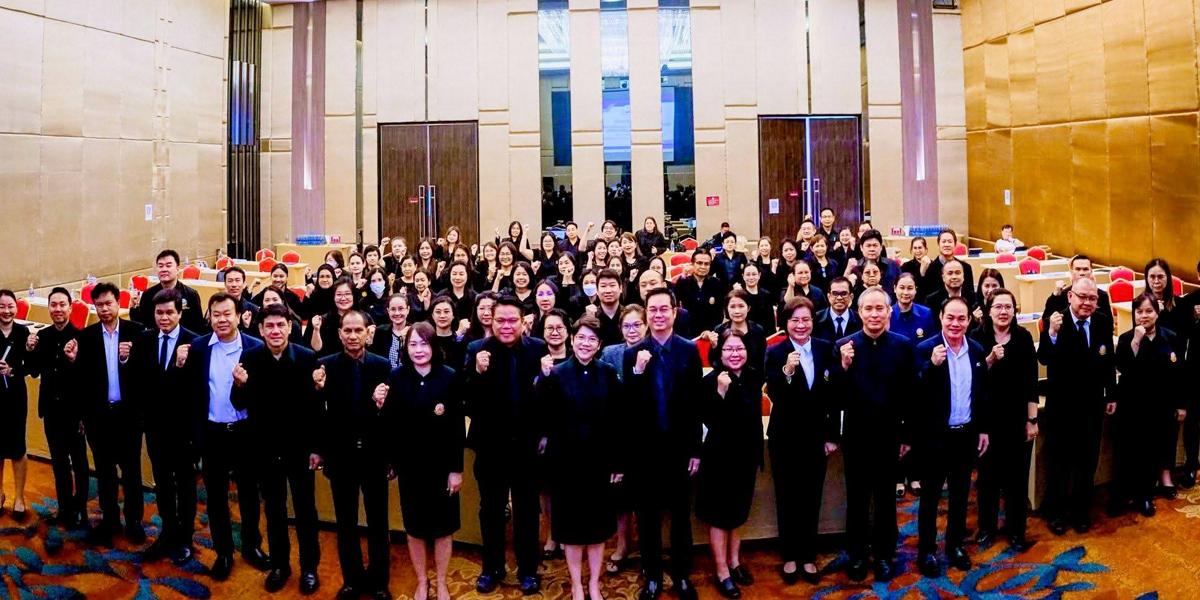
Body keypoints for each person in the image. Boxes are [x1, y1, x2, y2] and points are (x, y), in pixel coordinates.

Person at [179, 292, 270, 579]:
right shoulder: (199, 347)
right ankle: (224, 552)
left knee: (249, 495)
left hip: (244, 432)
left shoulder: (256, 348)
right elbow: (192, 393)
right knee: (216, 497)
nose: (221, 319)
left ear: (239, 316)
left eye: (227, 314)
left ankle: (251, 546)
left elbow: (263, 396)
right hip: (213, 433)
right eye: (215, 314)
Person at [463, 296, 549, 595]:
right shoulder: (477, 350)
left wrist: (543, 433)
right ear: (491, 320)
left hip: (527, 446)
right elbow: (467, 401)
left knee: (527, 510)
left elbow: (547, 399)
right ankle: (492, 567)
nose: (506, 326)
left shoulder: (538, 349)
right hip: (491, 446)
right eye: (500, 320)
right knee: (491, 510)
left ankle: (528, 569)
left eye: (513, 320)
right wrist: (478, 373)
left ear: (524, 322)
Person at [235, 303, 323, 594]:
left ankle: (309, 568)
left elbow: (316, 410)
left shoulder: (307, 357)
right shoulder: (250, 357)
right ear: (260, 330)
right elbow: (238, 403)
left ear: (289, 327)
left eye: (280, 325)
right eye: (269, 326)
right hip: (265, 449)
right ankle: (280, 566)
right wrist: (239, 385)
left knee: (306, 511)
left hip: (300, 449)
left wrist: (316, 448)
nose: (275, 331)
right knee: (274, 510)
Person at [623, 287, 704, 600]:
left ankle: (682, 576)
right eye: (652, 310)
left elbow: (695, 404)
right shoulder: (633, 353)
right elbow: (628, 407)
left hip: (680, 449)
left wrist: (695, 449)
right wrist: (637, 372)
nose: (658, 315)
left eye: (663, 309)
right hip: (645, 452)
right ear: (646, 314)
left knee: (681, 517)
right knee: (647, 518)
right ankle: (653, 577)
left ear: (674, 311)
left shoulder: (688, 350)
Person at [538, 315, 625, 600]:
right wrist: (542, 380)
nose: (585, 343)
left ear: (599, 344)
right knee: (572, 531)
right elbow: (543, 415)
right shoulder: (556, 373)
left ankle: (594, 583)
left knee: (597, 530)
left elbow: (618, 421)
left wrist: (617, 462)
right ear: (572, 340)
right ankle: (576, 584)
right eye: (581, 338)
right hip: (566, 464)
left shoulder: (608, 373)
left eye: (592, 339)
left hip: (599, 463)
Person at [830, 286, 913, 582]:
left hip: (890, 435)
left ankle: (884, 554)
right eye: (869, 309)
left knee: (885, 498)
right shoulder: (844, 346)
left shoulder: (902, 346)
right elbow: (834, 396)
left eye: (880, 309)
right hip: (856, 435)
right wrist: (843, 366)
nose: (874, 314)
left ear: (889, 312)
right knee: (857, 498)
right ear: (859, 312)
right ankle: (856, 554)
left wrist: (907, 436)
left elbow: (910, 395)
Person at [313, 310, 393, 600]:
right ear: (339, 334)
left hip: (375, 456)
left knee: (378, 522)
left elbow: (391, 416)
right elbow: (319, 414)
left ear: (368, 333)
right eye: (347, 330)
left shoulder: (383, 366)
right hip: (341, 456)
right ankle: (352, 580)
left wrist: (391, 458)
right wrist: (317, 390)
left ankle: (380, 581)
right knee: (345, 522)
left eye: (358, 330)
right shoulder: (326, 365)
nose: (353, 335)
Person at [382, 322, 465, 600]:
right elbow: (390, 424)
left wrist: (456, 469)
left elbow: (456, 428)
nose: (419, 350)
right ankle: (422, 581)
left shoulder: (449, 376)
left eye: (424, 343)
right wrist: (391, 461)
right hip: (410, 467)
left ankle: (441, 582)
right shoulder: (396, 377)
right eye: (413, 344)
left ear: (434, 346)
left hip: (442, 467)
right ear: (406, 348)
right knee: (415, 528)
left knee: (443, 529)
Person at [912, 297, 989, 577]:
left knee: (960, 494)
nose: (956, 323)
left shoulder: (977, 350)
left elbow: (982, 394)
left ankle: (955, 545)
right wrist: (931, 365)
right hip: (935, 437)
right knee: (931, 497)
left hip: (965, 435)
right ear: (941, 318)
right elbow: (913, 392)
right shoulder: (924, 349)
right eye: (950, 318)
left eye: (961, 318)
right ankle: (927, 551)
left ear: (969, 320)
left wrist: (982, 429)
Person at [66, 282, 146, 546]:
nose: (104, 309)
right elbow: (81, 380)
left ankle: (134, 521)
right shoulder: (87, 336)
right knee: (104, 471)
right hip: (99, 416)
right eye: (99, 305)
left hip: (128, 415)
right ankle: (110, 519)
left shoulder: (137, 332)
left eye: (108, 303)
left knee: (131, 471)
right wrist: (82, 415)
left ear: (118, 303)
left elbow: (145, 374)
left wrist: (129, 359)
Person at [765, 297, 838, 585]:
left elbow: (831, 396)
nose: (800, 325)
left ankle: (808, 555)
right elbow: (775, 394)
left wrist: (831, 435)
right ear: (785, 323)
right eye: (794, 320)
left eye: (805, 319)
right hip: (785, 437)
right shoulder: (776, 352)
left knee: (811, 496)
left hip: (816, 438)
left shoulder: (824, 348)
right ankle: (790, 555)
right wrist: (787, 371)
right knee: (787, 497)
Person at [1037, 277, 1116, 535]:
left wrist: (1111, 394)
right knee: (1059, 461)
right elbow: (1044, 358)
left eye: (1092, 298)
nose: (1087, 303)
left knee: (1087, 461)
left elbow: (1108, 360)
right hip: (1062, 406)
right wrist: (1051, 333)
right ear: (1070, 296)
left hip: (1092, 404)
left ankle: (1081, 511)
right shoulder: (1056, 320)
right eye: (1082, 297)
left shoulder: (1102, 321)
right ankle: (1056, 513)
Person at [132, 289, 200, 565]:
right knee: (162, 484)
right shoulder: (145, 339)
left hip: (183, 429)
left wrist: (181, 365)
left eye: (170, 312)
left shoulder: (194, 342)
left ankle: (185, 537)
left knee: (185, 485)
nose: (164, 317)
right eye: (159, 312)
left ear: (180, 313)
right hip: (155, 427)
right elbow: (140, 381)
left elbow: (197, 390)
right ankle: (168, 532)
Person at [697, 330, 764, 599]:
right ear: (719, 353)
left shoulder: (753, 376)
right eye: (728, 349)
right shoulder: (711, 380)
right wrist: (721, 392)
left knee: (738, 513)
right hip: (719, 459)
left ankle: (734, 561)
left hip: (745, 458)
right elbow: (710, 421)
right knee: (719, 515)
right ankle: (722, 570)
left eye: (739, 349)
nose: (734, 354)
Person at [971, 288, 1038, 551]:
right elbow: (972, 379)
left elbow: (1031, 380)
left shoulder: (1023, 337)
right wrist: (989, 360)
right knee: (987, 478)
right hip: (987, 421)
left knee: (1017, 479)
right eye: (998, 307)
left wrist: (1032, 420)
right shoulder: (977, 337)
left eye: (1008, 307)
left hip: (1016, 418)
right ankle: (986, 527)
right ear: (989, 311)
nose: (1003, 311)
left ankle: (1016, 530)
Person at [1112, 293, 1187, 517]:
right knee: (1130, 452)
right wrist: (1136, 341)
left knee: (1152, 451)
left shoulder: (1170, 337)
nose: (1144, 316)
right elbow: (1124, 368)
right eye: (1139, 311)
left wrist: (1181, 404)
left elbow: (1179, 374)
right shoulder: (1126, 338)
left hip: (1160, 406)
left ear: (1157, 312)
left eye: (1149, 311)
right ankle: (1125, 494)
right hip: (1132, 406)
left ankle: (1145, 496)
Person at [26, 288, 89, 529]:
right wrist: (30, 350)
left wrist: (84, 415)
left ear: (71, 308)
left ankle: (80, 508)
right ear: (49, 308)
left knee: (79, 463)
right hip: (51, 409)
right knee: (59, 463)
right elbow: (34, 371)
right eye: (53, 305)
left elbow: (87, 377)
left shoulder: (82, 337)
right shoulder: (42, 336)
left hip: (75, 412)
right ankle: (64, 509)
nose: (58, 309)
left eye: (63, 304)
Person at [597, 304, 646, 573]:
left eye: (637, 325)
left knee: (647, 497)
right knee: (621, 497)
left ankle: (648, 547)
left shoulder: (654, 351)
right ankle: (623, 545)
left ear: (646, 326)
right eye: (627, 325)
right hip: (618, 433)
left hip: (648, 433)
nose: (632, 330)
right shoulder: (609, 354)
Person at [0, 290, 32, 522]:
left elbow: (30, 366)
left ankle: (19, 497)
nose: (6, 310)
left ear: (16, 308)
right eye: (2, 306)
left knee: (18, 447)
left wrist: (12, 370)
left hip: (15, 395)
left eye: (10, 306)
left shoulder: (23, 333)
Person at [134, 249, 205, 333]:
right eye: (160, 266)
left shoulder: (190, 294)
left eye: (168, 266)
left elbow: (198, 327)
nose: (164, 269)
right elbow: (143, 325)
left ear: (177, 269)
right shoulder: (148, 294)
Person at [1040, 255, 1112, 329]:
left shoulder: (1102, 295)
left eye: (1085, 269)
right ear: (1071, 272)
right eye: (1078, 269)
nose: (1082, 273)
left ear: (1091, 272)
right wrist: (1055, 296)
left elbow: (1108, 325)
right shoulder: (1061, 295)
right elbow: (1046, 323)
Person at [675, 249, 727, 333]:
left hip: (710, 332)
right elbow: (676, 307)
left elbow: (720, 313)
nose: (703, 267)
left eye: (706, 264)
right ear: (692, 264)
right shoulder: (683, 283)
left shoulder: (716, 284)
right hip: (687, 332)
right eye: (699, 263)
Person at [307, 279, 361, 357]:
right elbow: (316, 348)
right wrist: (316, 330)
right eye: (339, 294)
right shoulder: (323, 320)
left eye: (347, 294)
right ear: (333, 297)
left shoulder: (363, 318)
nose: (343, 298)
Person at [923, 230, 974, 298]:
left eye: (950, 242)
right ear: (938, 245)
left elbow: (971, 296)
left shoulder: (966, 267)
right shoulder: (930, 268)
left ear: (955, 245)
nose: (946, 245)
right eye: (943, 241)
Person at [369, 293, 410, 369]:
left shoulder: (414, 332)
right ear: (388, 311)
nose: (397, 313)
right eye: (393, 309)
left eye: (401, 309)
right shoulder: (380, 331)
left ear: (408, 310)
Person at [813, 277, 861, 342]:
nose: (839, 298)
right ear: (828, 296)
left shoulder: (860, 319)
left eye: (843, 293)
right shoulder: (816, 319)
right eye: (835, 293)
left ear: (851, 297)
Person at [429, 295, 468, 370]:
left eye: (446, 312)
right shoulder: (428, 339)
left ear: (453, 315)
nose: (442, 316)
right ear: (432, 316)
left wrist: (457, 335)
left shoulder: (461, 338)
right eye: (438, 312)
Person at [220, 266, 260, 333]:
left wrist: (246, 327)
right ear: (225, 284)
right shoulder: (218, 307)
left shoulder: (253, 310)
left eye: (237, 280)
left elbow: (258, 337)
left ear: (244, 284)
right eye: (230, 281)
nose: (234, 285)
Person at [739, 262, 776, 333]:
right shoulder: (740, 296)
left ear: (759, 275)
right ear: (743, 276)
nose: (751, 277)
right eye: (748, 275)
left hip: (765, 335)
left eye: (754, 274)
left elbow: (771, 321)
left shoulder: (766, 295)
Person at [591, 269, 625, 346]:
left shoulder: (628, 315)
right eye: (603, 286)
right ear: (597, 290)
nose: (608, 290)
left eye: (612, 285)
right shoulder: (591, 316)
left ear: (620, 288)